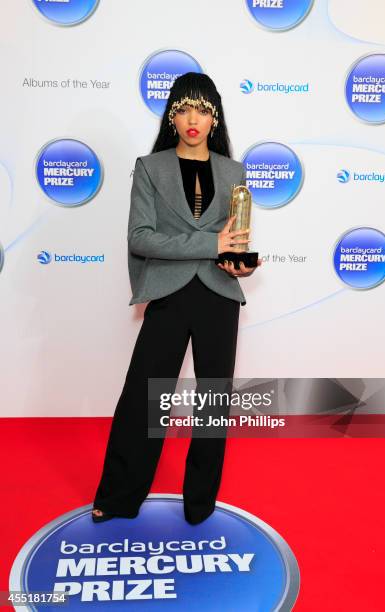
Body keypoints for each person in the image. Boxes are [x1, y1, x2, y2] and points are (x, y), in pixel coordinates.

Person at [92, 72, 261, 525]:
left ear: (215, 117)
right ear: (171, 115)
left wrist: (240, 262)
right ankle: (119, 495)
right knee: (144, 399)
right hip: (169, 293)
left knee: (212, 404)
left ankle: (200, 502)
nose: (194, 119)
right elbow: (141, 238)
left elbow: (236, 240)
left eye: (203, 110)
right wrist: (211, 246)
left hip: (218, 295)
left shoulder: (234, 171)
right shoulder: (151, 167)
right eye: (184, 108)